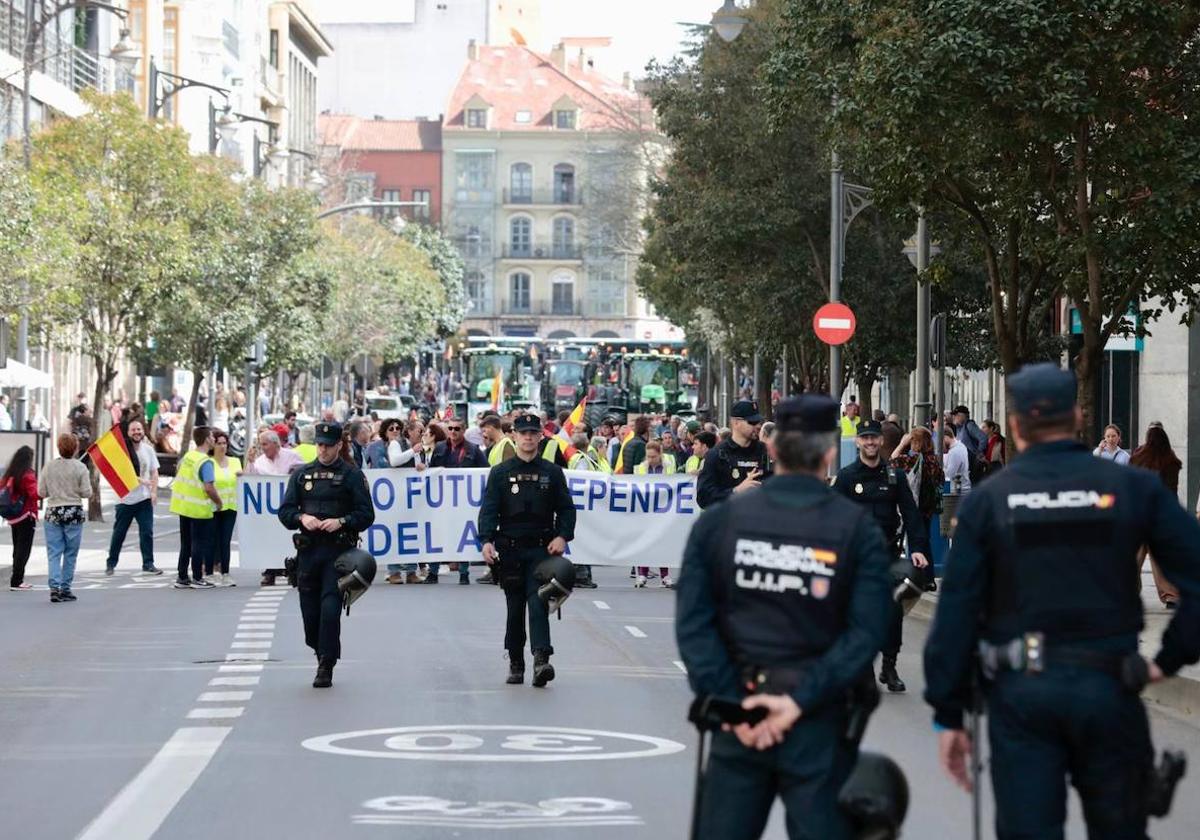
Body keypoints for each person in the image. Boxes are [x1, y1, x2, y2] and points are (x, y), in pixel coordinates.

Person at [924, 363, 1200, 840]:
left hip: (1022, 697)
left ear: (1013, 425)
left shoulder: (989, 502)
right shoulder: (1132, 488)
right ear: (1077, 417)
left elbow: (955, 618)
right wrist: (1167, 658)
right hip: (1109, 688)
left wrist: (949, 714)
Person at [675, 395, 893, 840]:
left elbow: (694, 625)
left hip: (741, 717)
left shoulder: (719, 525)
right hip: (817, 717)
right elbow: (868, 630)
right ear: (831, 451)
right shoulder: (856, 529)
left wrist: (733, 703)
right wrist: (798, 702)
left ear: (772, 449)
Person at [478, 413, 576, 688]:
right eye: (524, 433)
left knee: (538, 602)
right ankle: (515, 661)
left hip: (542, 550)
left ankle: (541, 659)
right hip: (509, 550)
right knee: (515, 606)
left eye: (533, 433)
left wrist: (562, 536)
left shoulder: (552, 472)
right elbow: (488, 510)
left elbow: (566, 509)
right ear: (514, 436)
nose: (529, 437)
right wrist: (486, 541)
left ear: (540, 436)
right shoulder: (499, 473)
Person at [834, 420, 931, 693]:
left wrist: (920, 549)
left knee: (892, 612)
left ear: (880, 441)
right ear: (858, 442)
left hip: (887, 554)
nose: (870, 442)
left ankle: (889, 665)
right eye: (865, 438)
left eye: (874, 438)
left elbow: (911, 515)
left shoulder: (894, 476)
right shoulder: (847, 477)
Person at [278, 421, 375, 688]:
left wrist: (342, 521)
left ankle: (326, 664)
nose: (323, 450)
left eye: (328, 446)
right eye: (319, 444)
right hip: (308, 553)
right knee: (310, 616)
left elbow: (366, 514)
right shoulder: (302, 475)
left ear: (339, 445)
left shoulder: (352, 475)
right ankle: (319, 648)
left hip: (339, 553)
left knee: (330, 611)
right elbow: (285, 512)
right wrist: (302, 517)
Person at [1130, 423, 1183, 607]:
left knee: (1135, 556)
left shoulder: (1137, 457)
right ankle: (1170, 595)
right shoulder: (1171, 460)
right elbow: (1171, 491)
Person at [39, 433, 92, 602]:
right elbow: (87, 492)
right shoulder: (81, 467)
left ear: (58, 447)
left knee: (54, 552)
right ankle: (65, 588)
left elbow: (41, 492)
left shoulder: (48, 467)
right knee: (70, 553)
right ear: (75, 448)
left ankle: (54, 587)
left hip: (53, 511)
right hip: (73, 512)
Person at [106, 419, 162, 575]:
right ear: (128, 433)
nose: (137, 432)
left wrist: (154, 492)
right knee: (119, 533)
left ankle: (148, 563)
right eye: (133, 430)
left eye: (139, 429)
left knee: (147, 532)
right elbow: (122, 473)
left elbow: (154, 472)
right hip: (125, 499)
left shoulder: (148, 450)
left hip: (144, 499)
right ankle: (111, 563)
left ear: (143, 431)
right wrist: (141, 480)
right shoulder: (122, 452)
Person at [169, 427, 222, 589]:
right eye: (212, 437)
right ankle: (198, 578)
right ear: (207, 439)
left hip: (183, 506)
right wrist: (219, 502)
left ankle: (182, 577)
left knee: (186, 543)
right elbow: (208, 487)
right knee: (199, 544)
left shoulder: (189, 457)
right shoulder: (205, 462)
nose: (214, 439)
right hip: (198, 508)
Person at [697, 400, 771, 509]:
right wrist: (736, 491)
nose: (758, 426)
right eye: (752, 422)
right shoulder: (717, 454)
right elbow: (703, 497)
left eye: (758, 422)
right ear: (736, 423)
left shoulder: (766, 452)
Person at [634, 440, 677, 589]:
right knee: (644, 542)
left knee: (662, 542)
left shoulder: (669, 467)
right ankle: (642, 574)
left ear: (660, 455)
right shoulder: (641, 468)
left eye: (653, 456)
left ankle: (665, 575)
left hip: (663, 510)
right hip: (646, 511)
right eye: (648, 457)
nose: (650, 460)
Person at [3, 445, 39, 591]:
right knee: (24, 549)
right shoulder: (27, 474)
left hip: (13, 516)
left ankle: (16, 578)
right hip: (26, 515)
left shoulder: (10, 473)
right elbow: (35, 494)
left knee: (17, 547)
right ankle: (17, 580)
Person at [209, 429, 241, 587]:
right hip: (213, 507)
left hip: (230, 506)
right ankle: (211, 571)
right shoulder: (208, 462)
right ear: (212, 445)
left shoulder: (235, 462)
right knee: (212, 539)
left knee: (225, 540)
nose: (222, 446)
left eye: (224, 443)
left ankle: (225, 572)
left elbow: (243, 479)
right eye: (218, 443)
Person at [942, 425, 972, 496]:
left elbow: (949, 475)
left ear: (946, 437)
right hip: (957, 489)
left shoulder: (955, 452)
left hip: (956, 492)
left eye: (940, 440)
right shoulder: (959, 446)